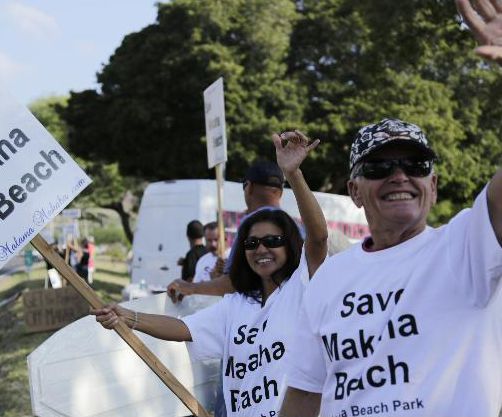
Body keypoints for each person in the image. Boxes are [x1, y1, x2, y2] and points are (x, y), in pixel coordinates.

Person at [281, 12, 502, 412]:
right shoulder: (330, 278)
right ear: (355, 191)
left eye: (415, 167)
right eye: (379, 168)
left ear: (432, 187)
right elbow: (304, 393)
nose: (399, 176)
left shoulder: (467, 248)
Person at [91, 131, 328, 416]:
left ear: (290, 246)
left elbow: (318, 237)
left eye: (273, 241)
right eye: (251, 243)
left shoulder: (301, 285)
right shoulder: (236, 304)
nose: (261, 248)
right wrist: (129, 317)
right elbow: (184, 329)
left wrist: (293, 174)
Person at [166, 159, 285, 300]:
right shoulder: (294, 227)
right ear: (281, 191)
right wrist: (218, 276)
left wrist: (191, 287)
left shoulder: (250, 224)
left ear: (249, 187)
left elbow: (232, 283)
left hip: (256, 315)